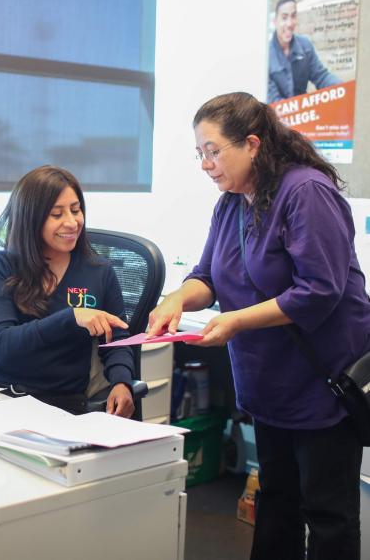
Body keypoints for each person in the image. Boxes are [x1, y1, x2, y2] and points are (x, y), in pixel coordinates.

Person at [148, 92, 370, 560]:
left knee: (327, 513)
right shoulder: (232, 202)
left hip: (321, 379)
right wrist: (176, 298)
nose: (205, 164)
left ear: (252, 144)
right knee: (276, 500)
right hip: (269, 381)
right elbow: (207, 276)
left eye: (213, 151)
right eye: (199, 154)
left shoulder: (305, 191)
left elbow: (320, 289)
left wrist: (235, 321)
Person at [0, 165, 135, 417]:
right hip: (6, 400)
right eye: (56, 214)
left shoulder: (99, 272)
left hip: (65, 406)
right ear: (31, 219)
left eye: (75, 210)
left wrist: (122, 382)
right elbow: (2, 346)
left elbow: (118, 340)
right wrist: (72, 318)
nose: (72, 222)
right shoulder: (2, 267)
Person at [268, 0, 342, 103]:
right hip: (279, 115)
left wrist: (342, 87)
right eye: (284, 18)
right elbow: (273, 100)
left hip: (305, 112)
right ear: (275, 22)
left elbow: (321, 77)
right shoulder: (266, 56)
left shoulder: (305, 45)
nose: (289, 24)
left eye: (293, 16)